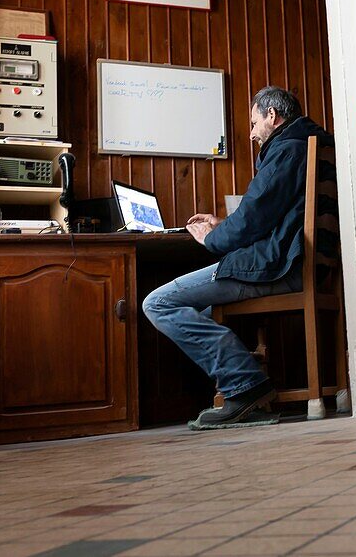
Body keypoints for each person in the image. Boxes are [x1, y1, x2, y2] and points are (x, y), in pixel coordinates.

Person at [142, 86, 332, 429]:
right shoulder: (312, 144)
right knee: (195, 310)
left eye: (254, 122)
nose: (251, 133)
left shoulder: (287, 149)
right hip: (299, 261)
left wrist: (212, 237)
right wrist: (224, 225)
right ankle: (245, 385)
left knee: (158, 304)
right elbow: (266, 217)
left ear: (271, 116)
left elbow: (253, 219)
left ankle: (245, 387)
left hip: (280, 268)